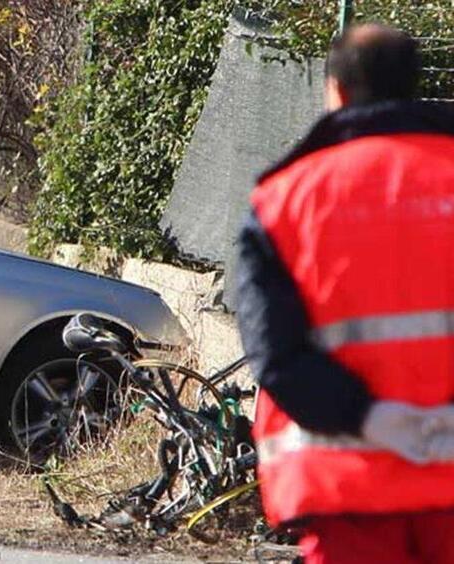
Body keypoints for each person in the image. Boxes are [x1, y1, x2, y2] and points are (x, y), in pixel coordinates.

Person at [235, 23, 454, 564]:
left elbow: (275, 355)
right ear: (415, 84)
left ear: (334, 90)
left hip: (347, 490)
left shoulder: (282, 202)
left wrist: (369, 416)